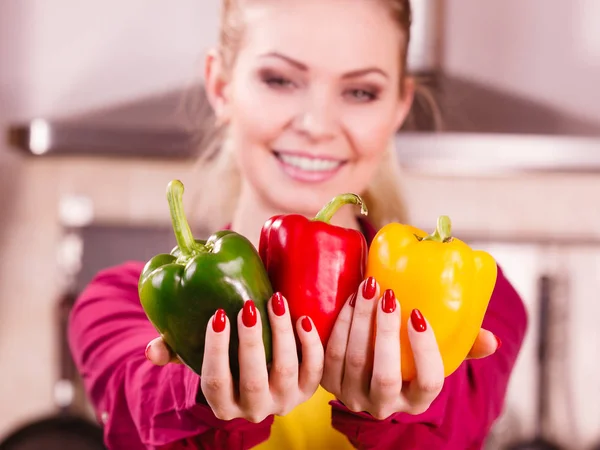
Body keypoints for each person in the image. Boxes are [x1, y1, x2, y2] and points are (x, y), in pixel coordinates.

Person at [67, 0, 528, 449]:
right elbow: (142, 416)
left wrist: (398, 411)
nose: (316, 125)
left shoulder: (483, 302)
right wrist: (207, 395)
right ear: (221, 86)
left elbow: (455, 433)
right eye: (280, 80)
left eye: (361, 91)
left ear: (398, 107)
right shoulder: (120, 305)